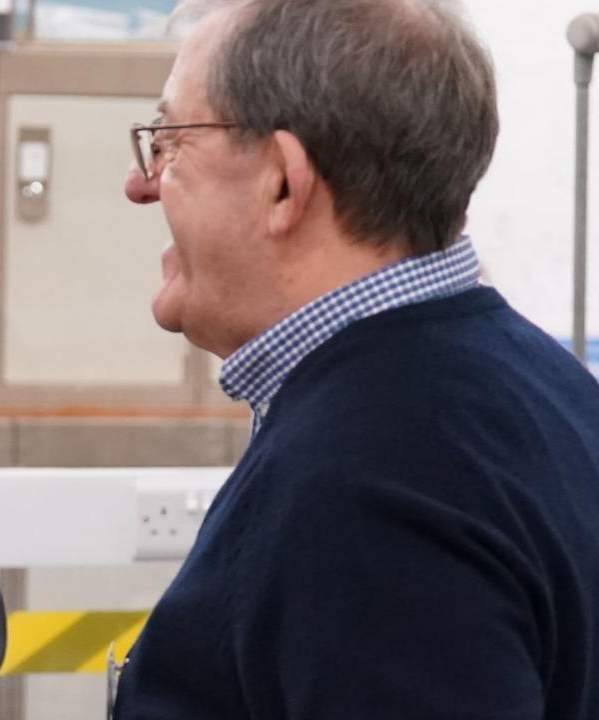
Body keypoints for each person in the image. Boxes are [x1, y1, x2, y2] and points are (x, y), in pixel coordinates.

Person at [116, 0, 599, 717]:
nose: (141, 183)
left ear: (284, 180)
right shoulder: (554, 395)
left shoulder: (368, 487)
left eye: (171, 141)